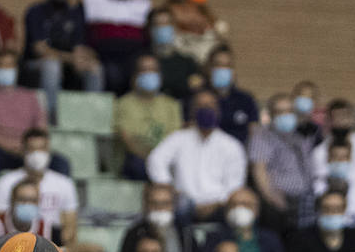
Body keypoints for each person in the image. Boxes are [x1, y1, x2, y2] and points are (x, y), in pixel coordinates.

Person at [146, 87, 247, 222]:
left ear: (218, 110)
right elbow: (155, 160)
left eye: (210, 105)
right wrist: (167, 186)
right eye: (200, 106)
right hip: (183, 203)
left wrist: (216, 203)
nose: (206, 109)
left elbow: (235, 184)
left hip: (219, 205)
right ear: (193, 111)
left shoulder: (232, 145)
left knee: (239, 211)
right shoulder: (179, 138)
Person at [22, 0, 102, 119]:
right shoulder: (36, 12)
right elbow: (40, 49)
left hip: (67, 64)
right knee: (52, 65)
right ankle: (51, 117)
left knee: (94, 68)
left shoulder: (75, 14)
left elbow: (79, 46)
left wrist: (83, 60)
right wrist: (72, 59)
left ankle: (92, 118)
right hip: (35, 65)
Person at [247, 92, 317, 230]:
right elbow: (259, 171)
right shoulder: (262, 137)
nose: (286, 115)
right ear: (271, 116)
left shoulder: (299, 138)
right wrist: (272, 198)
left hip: (305, 199)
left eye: (289, 111)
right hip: (280, 200)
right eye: (280, 112)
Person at [113, 54, 182, 180]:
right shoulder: (123, 104)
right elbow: (127, 138)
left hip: (166, 158)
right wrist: (151, 157)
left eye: (153, 70)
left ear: (160, 76)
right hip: (137, 159)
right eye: (144, 70)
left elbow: (175, 137)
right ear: (135, 77)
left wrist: (159, 157)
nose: (149, 74)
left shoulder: (172, 105)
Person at [81, 0, 150, 92]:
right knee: (111, 75)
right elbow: (80, 30)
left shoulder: (143, 4)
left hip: (133, 57)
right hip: (102, 56)